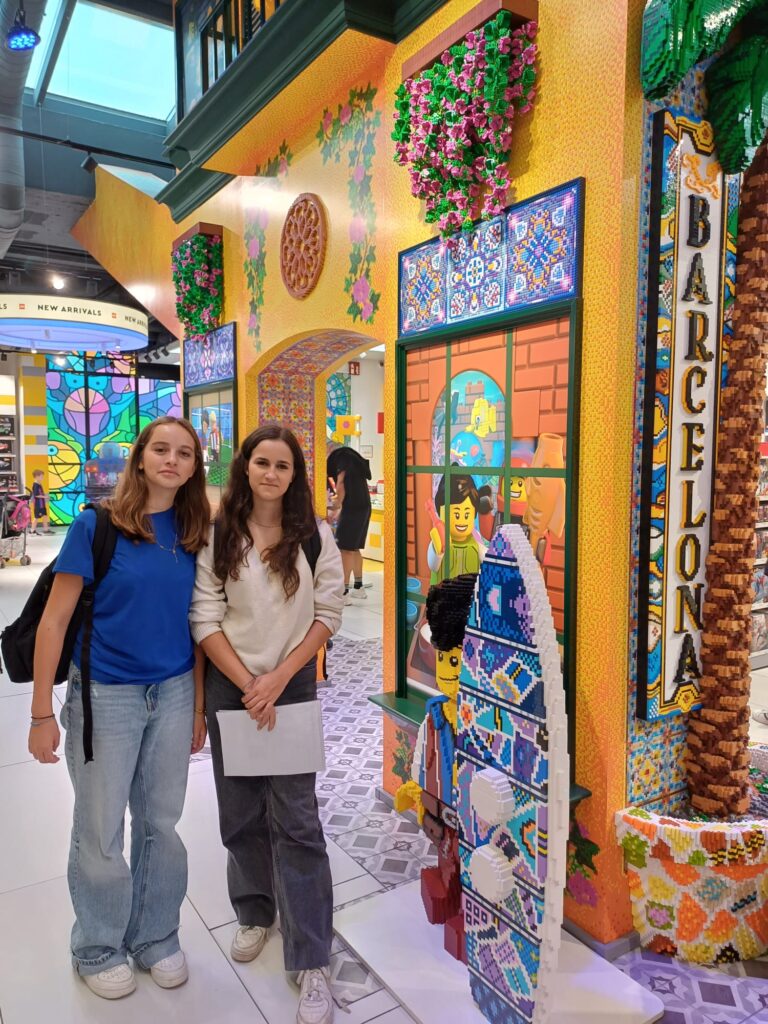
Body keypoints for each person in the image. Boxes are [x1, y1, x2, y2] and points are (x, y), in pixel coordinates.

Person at [27, 416, 210, 1001]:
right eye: (161, 449)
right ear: (140, 458)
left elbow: (199, 624)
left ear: (195, 467)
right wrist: (40, 714)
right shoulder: (96, 525)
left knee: (162, 822)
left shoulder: (195, 532)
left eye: (185, 453)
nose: (172, 460)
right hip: (105, 696)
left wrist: (198, 708)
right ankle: (98, 946)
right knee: (100, 827)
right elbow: (54, 622)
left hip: (173, 692)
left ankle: (155, 935)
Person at [190, 424, 345, 1024]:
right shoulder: (219, 533)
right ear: (245, 468)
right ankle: (255, 911)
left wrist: (278, 678)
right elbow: (205, 615)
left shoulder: (314, 535)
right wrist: (248, 682)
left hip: (292, 683)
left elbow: (328, 612)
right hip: (231, 686)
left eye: (283, 465)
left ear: (295, 474)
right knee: (240, 809)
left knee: (298, 820)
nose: (272, 474)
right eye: (262, 462)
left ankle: (311, 957)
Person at [327, 446, 371, 603]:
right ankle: (358, 587)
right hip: (364, 506)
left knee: (345, 550)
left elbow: (341, 482)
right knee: (354, 548)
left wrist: (337, 504)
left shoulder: (341, 458)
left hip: (352, 508)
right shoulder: (353, 459)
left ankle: (344, 592)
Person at [30, 468, 54, 534]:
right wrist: (45, 497)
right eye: (41, 476)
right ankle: (32, 530)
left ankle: (46, 530)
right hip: (38, 505)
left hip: (42, 504)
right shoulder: (35, 485)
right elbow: (36, 495)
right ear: (37, 476)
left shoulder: (39, 484)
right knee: (36, 517)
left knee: (45, 516)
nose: (42, 478)